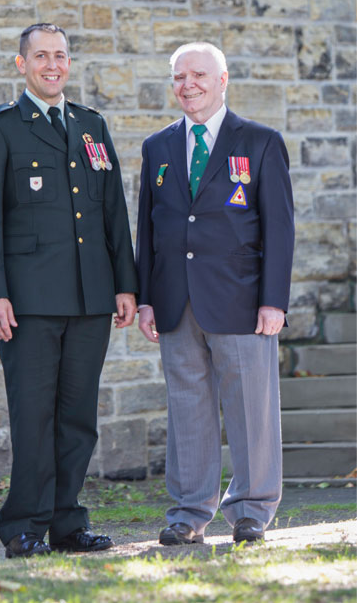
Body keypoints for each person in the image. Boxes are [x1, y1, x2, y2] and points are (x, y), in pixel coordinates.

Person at [0, 23, 138, 558]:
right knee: (34, 417)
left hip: (90, 298)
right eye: (40, 56)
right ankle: (24, 526)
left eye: (60, 55)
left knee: (78, 418)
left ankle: (66, 523)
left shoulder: (91, 125)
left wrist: (125, 285)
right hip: (29, 304)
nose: (52, 64)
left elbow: (113, 212)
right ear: (22, 64)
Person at [136, 42, 294, 546]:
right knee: (187, 410)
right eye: (179, 77)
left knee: (251, 409)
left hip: (243, 302)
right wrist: (144, 298)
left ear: (223, 80)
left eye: (199, 74)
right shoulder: (156, 147)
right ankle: (188, 513)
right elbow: (149, 229)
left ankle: (251, 508)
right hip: (175, 302)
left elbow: (280, 228)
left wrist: (275, 301)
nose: (189, 85)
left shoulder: (261, 142)